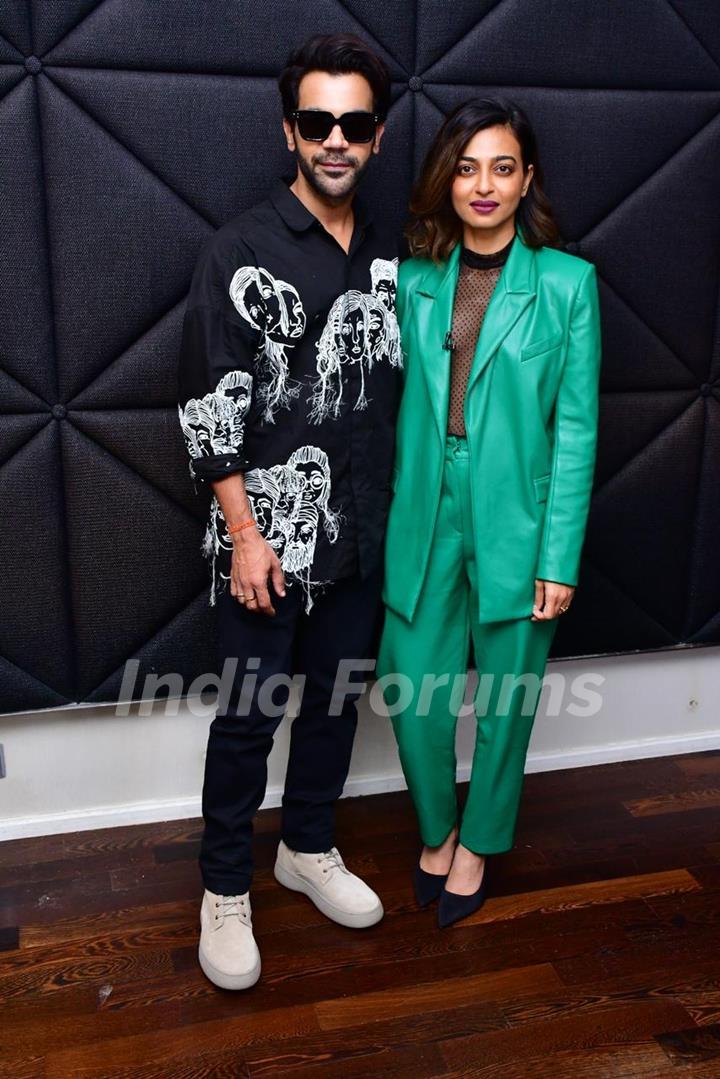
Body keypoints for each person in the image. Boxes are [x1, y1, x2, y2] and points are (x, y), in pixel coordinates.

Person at [177, 33, 402, 990]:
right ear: (291, 131)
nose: (336, 140)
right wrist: (245, 533)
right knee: (249, 715)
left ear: (377, 136)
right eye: (319, 123)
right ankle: (224, 887)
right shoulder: (240, 247)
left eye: (355, 123)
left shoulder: (395, 249)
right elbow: (206, 404)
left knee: (335, 707)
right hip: (265, 539)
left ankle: (306, 847)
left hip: (363, 531)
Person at [376, 98, 602, 928]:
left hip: (519, 516)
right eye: (467, 167)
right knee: (412, 685)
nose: (483, 185)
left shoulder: (568, 285)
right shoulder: (412, 278)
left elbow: (575, 428)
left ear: (526, 178)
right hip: (424, 508)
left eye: (502, 167)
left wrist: (559, 556)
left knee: (509, 698)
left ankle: (479, 840)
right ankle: (437, 826)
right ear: (448, 177)